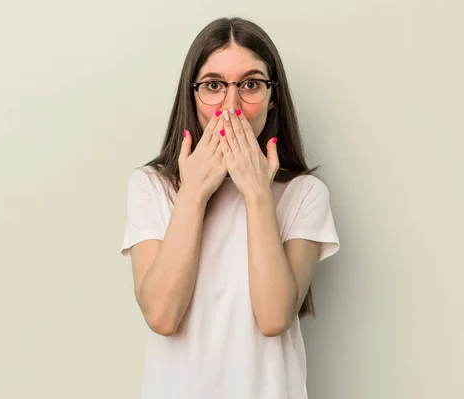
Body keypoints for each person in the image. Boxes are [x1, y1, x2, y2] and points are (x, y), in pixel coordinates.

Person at [120, 16, 340, 399]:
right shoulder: (151, 186)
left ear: (272, 98)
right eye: (214, 86)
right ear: (193, 95)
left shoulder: (305, 194)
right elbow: (161, 315)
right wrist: (193, 194)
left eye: (251, 84)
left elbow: (274, 318)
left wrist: (256, 193)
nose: (231, 106)